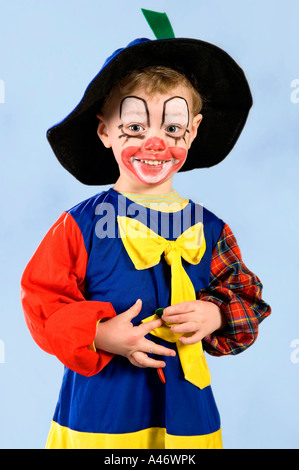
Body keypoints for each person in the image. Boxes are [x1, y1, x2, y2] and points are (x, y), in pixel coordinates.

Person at [20, 10, 271, 449]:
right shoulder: (78, 225)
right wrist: (97, 333)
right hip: (101, 416)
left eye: (172, 127)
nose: (155, 143)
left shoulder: (211, 229)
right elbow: (42, 302)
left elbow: (247, 299)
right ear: (105, 131)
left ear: (192, 132)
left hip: (189, 418)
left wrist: (214, 313)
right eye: (135, 126)